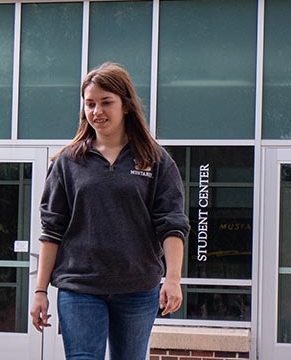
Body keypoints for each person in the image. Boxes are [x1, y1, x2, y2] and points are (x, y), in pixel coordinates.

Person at [28, 63, 188, 360]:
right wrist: (40, 292)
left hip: (138, 288)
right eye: (90, 104)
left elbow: (172, 224)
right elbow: (51, 230)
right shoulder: (68, 162)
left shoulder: (155, 160)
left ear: (126, 105)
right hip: (80, 288)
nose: (96, 111)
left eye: (106, 102)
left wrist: (173, 278)